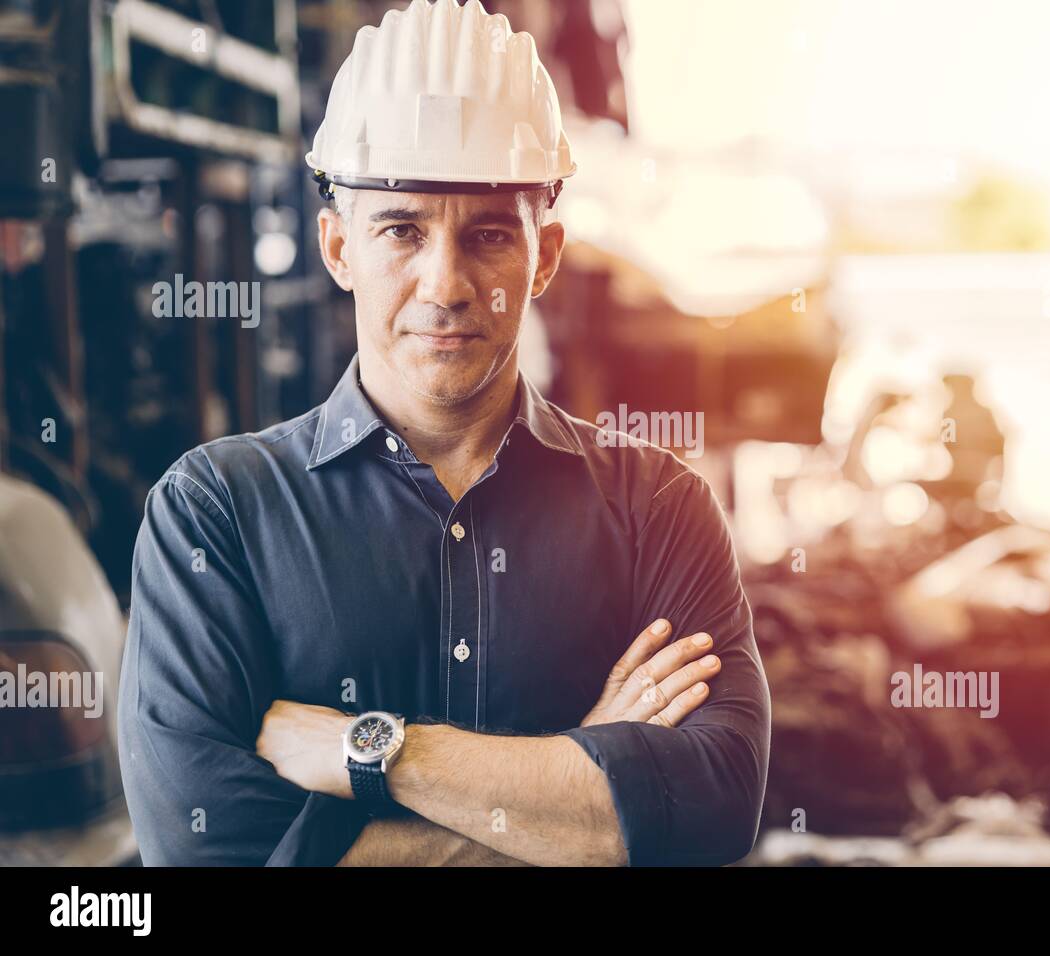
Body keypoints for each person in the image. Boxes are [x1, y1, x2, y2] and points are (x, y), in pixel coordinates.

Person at [117, 0, 770, 867]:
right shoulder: (215, 516)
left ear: (545, 256)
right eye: (402, 229)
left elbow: (712, 813)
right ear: (338, 246)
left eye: (490, 234)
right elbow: (207, 852)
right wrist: (586, 796)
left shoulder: (659, 507)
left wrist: (370, 754)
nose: (446, 283)